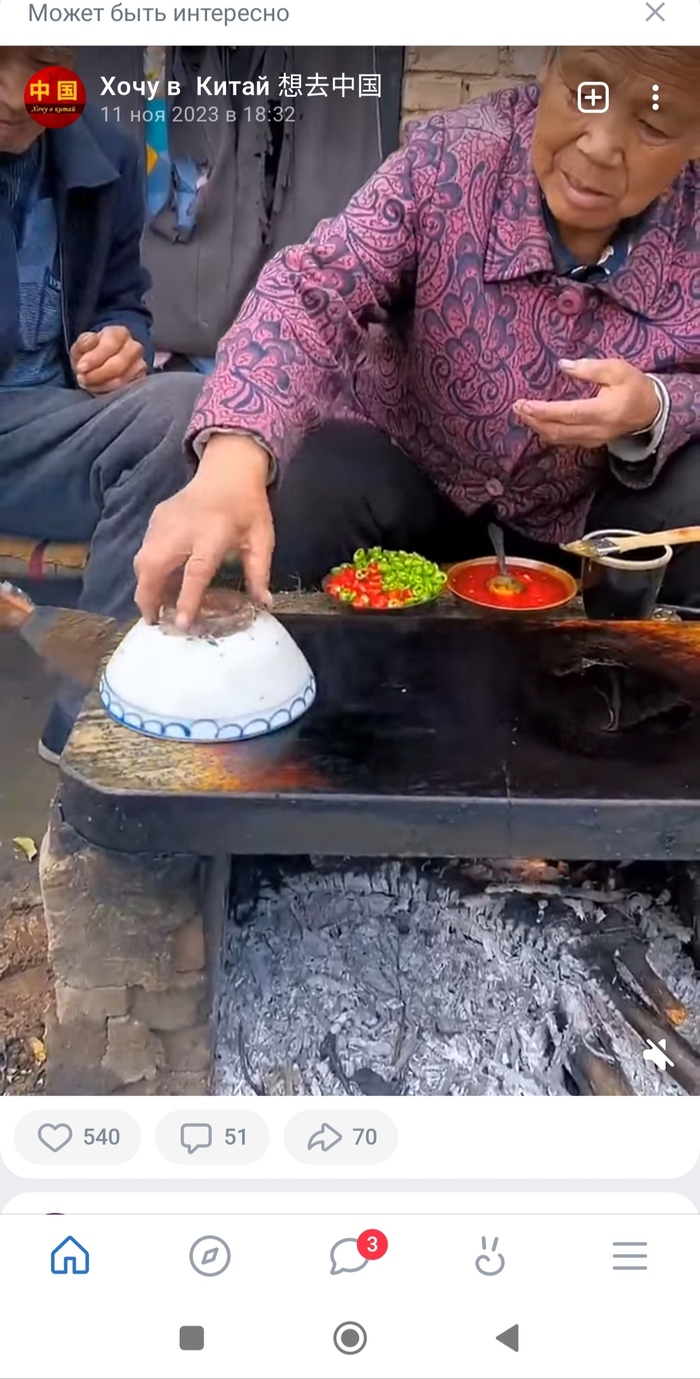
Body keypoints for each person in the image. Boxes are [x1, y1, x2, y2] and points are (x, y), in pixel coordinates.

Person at [133, 45, 700, 631]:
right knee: (305, 479)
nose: (600, 146)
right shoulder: (451, 160)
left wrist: (655, 409)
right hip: (408, 478)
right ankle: (301, 675)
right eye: (585, 92)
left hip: (579, 521)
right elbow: (312, 290)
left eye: (654, 123)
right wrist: (234, 453)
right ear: (548, 67)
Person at [0, 46, 202, 758]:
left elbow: (123, 299)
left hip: (47, 434)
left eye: (37, 64)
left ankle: (91, 720)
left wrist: (123, 344)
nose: (17, 94)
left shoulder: (103, 157)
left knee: (190, 415)